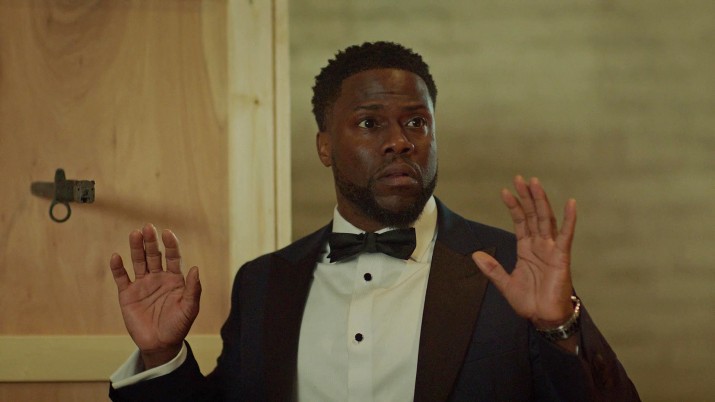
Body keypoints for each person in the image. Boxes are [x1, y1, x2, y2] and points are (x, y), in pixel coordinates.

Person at [108, 41, 640, 401]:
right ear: (324, 146)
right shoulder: (265, 282)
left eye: (417, 122)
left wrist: (558, 329)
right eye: (369, 123)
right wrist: (161, 354)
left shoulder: (508, 266)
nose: (400, 141)